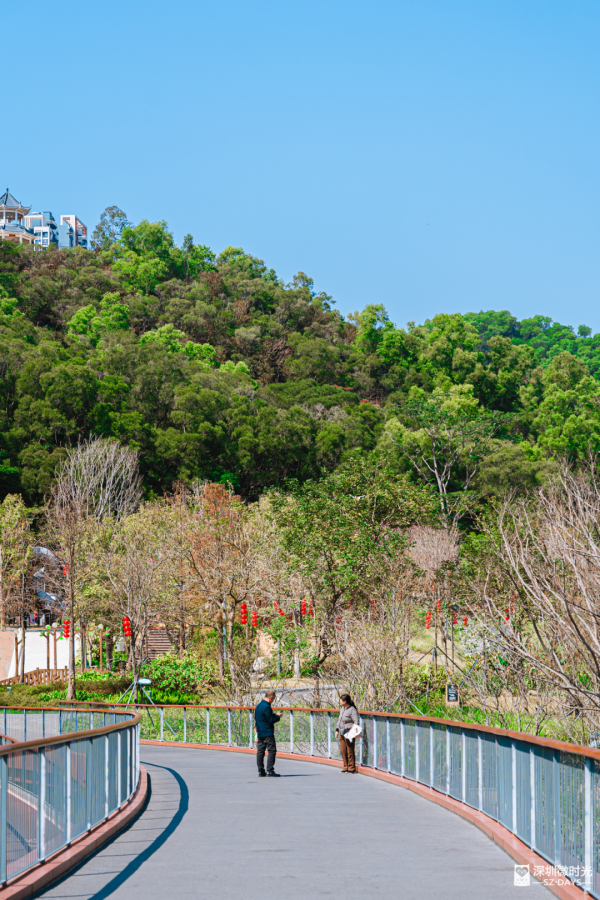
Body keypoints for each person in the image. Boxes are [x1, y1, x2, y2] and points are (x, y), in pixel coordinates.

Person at [254, 690, 282, 777]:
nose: (272, 701)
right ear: (271, 697)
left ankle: (261, 770)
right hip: (267, 732)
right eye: (273, 699)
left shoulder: (258, 706)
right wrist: (277, 716)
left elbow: (262, 718)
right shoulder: (266, 706)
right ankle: (270, 770)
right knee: (272, 750)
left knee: (261, 751)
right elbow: (270, 720)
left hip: (260, 732)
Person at [335, 693, 360, 773]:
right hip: (342, 732)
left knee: (350, 750)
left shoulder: (352, 709)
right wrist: (337, 730)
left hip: (349, 732)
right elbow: (339, 720)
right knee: (343, 750)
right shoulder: (342, 709)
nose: (340, 702)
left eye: (341, 700)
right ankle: (345, 767)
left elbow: (356, 721)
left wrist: (354, 731)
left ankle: (351, 768)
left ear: (345, 701)